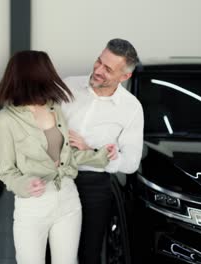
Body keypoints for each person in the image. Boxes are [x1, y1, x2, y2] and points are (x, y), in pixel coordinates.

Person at [0, 50, 118, 264]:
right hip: (33, 205)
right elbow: (6, 172)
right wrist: (25, 183)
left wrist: (102, 155)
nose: (53, 74)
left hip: (68, 199)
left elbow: (67, 158)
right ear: (34, 75)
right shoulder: (5, 121)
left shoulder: (54, 109)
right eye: (48, 70)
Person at [61, 38, 144, 264]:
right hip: (57, 179)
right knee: (53, 250)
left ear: (124, 76)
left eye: (107, 69)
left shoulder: (132, 109)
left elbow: (130, 163)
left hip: (94, 185)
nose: (97, 70)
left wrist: (92, 151)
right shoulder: (68, 86)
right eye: (98, 61)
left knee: (89, 253)